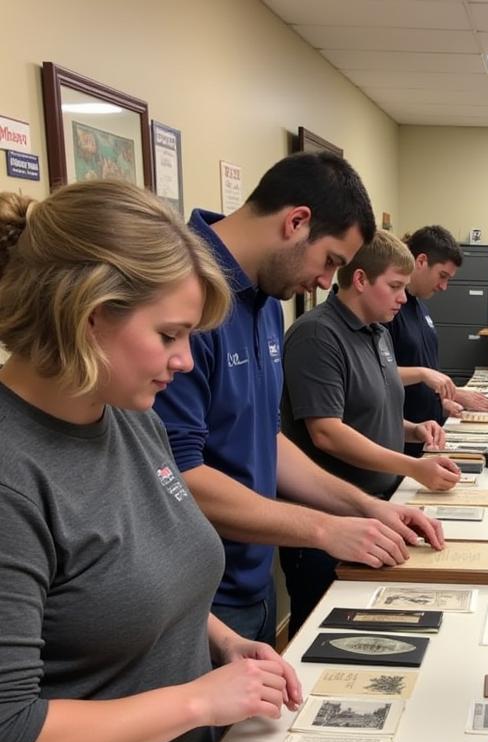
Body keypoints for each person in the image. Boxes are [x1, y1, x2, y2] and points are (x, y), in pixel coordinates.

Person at [0, 180, 301, 742]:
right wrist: (199, 701)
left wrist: (220, 645)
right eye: (168, 336)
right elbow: (9, 738)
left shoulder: (123, 412)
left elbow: (140, 579)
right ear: (87, 313)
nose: (181, 363)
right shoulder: (12, 471)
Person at [153, 152, 443, 645]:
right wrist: (323, 530)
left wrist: (365, 508)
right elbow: (178, 473)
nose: (328, 281)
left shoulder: (267, 300)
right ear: (296, 222)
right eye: (330, 260)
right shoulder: (184, 295)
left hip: (254, 578)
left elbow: (268, 440)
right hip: (198, 595)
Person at [279, 229, 460, 635]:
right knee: (325, 635)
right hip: (331, 519)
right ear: (360, 279)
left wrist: (415, 430)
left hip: (377, 507)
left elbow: (370, 411)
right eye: (395, 286)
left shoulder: (378, 332)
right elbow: (328, 431)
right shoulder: (317, 335)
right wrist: (414, 468)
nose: (402, 297)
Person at [387, 224, 488, 455]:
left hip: (428, 432)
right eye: (442, 275)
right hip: (402, 437)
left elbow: (424, 372)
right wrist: (423, 375)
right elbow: (378, 373)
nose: (444, 286)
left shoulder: (419, 305)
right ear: (420, 261)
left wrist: (442, 403)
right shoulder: (390, 310)